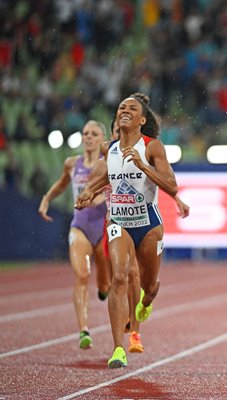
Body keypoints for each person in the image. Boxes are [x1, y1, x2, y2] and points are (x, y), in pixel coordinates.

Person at [75, 93, 180, 368]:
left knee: (149, 286)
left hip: (148, 227)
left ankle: (145, 303)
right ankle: (118, 349)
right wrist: (87, 194)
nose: (125, 110)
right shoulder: (109, 150)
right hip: (118, 223)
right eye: (122, 107)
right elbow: (97, 181)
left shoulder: (152, 147)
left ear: (142, 119)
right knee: (119, 278)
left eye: (132, 108)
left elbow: (171, 185)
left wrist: (143, 166)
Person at [38, 120, 112, 350]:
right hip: (79, 226)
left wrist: (95, 198)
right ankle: (84, 330)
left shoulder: (108, 163)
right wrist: (47, 199)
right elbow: (61, 184)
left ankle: (104, 289)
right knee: (81, 275)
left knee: (105, 283)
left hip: (102, 226)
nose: (88, 137)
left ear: (102, 138)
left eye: (94, 134)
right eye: (85, 133)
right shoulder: (72, 163)